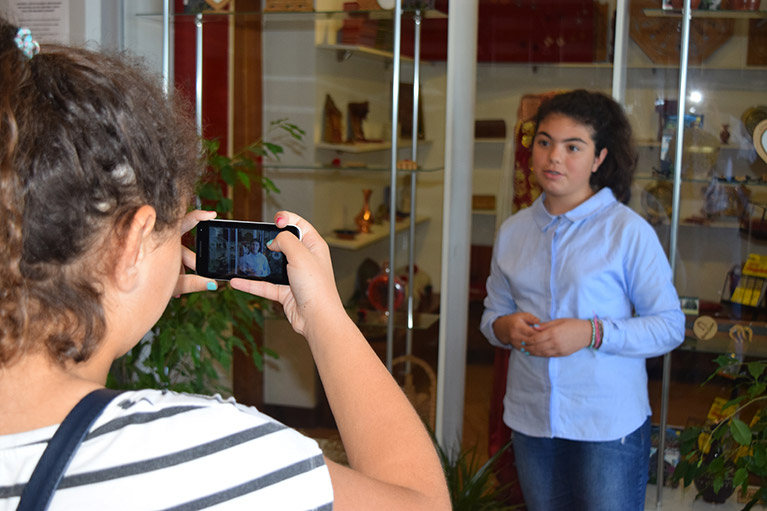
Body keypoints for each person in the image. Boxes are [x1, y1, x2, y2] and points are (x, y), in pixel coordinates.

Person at [0, 19, 450, 511]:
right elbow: (423, 502)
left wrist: (121, 283)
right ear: (131, 243)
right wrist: (325, 317)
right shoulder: (195, 456)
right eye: (172, 231)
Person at [480, 89, 685, 511]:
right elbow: (492, 316)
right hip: (531, 418)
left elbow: (669, 325)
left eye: (573, 147)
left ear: (598, 159)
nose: (554, 157)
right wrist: (506, 327)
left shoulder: (627, 231)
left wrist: (591, 333)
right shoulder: (514, 231)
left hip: (607, 423)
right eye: (544, 142)